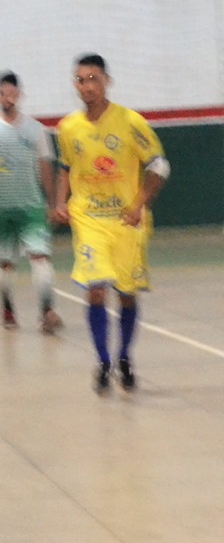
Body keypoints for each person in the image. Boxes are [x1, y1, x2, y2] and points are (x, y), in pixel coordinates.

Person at [52, 54, 169, 393]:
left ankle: (124, 356)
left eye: (93, 79)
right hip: (89, 219)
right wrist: (60, 202)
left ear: (107, 82)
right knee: (96, 287)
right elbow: (64, 167)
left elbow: (159, 166)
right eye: (81, 80)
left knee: (127, 294)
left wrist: (137, 205)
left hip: (127, 221)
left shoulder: (131, 122)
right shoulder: (68, 127)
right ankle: (103, 360)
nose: (87, 86)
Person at [0, 71, 62, 333]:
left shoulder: (36, 130)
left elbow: (45, 167)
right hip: (0, 208)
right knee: (5, 263)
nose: (8, 98)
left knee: (40, 257)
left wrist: (53, 203)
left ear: (19, 95)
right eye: (3, 93)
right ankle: (7, 306)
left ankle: (47, 311)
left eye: (13, 93)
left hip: (31, 207)